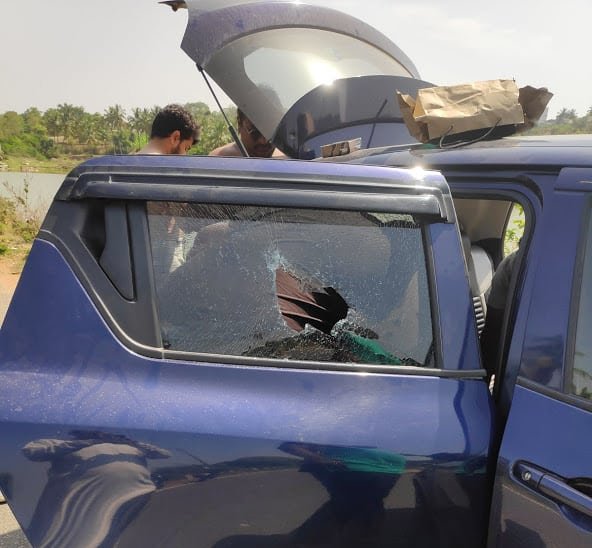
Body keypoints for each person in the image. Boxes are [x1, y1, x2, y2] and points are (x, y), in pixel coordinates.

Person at [209, 109, 284, 158]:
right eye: (255, 131)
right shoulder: (219, 160)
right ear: (239, 124)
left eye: (271, 131)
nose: (263, 140)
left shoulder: (287, 161)